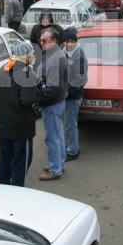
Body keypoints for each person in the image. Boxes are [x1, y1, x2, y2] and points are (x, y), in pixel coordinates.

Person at [0, 41, 39, 186]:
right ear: (26, 56)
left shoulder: (4, 69)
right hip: (21, 128)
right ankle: (17, 189)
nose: (33, 56)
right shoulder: (27, 74)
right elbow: (28, 101)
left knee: (5, 157)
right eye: (32, 54)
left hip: (4, 125)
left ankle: (4, 185)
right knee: (21, 160)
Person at [37, 26, 68, 180]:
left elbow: (53, 88)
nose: (41, 42)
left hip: (52, 104)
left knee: (52, 138)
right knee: (58, 135)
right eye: (40, 40)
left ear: (54, 41)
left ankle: (55, 169)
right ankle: (59, 163)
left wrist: (39, 98)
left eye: (45, 40)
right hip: (57, 102)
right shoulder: (54, 54)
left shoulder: (54, 59)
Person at [63, 28, 88, 161]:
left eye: (72, 41)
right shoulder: (64, 52)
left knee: (70, 124)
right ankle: (68, 146)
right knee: (67, 124)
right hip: (65, 95)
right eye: (67, 41)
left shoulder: (80, 55)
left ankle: (73, 151)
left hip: (73, 96)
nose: (69, 43)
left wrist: (67, 91)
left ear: (76, 41)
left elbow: (81, 78)